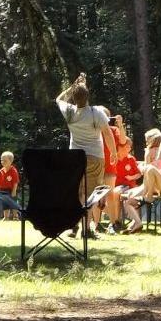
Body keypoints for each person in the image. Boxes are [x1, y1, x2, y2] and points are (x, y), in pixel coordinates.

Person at [55, 73, 115, 239]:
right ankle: (86, 230)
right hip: (95, 157)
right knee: (91, 194)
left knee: (78, 193)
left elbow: (59, 99)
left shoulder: (69, 112)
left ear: (74, 98)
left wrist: (72, 87)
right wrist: (114, 154)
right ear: (88, 96)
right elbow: (108, 134)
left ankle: (74, 226)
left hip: (75, 158)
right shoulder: (97, 113)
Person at [103, 113, 133, 233]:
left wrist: (120, 125)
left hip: (110, 165)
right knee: (95, 196)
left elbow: (123, 141)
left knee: (110, 194)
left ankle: (114, 223)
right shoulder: (94, 129)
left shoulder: (114, 130)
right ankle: (95, 224)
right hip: (96, 164)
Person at [0, 151, 20, 220]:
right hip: (3, 190)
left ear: (11, 161)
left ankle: (15, 216)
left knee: (13, 203)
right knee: (5, 204)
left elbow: (16, 182)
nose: (3, 162)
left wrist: (14, 191)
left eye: (5, 161)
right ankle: (6, 217)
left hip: (11, 189)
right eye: (1, 160)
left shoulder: (13, 170)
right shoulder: (1, 171)